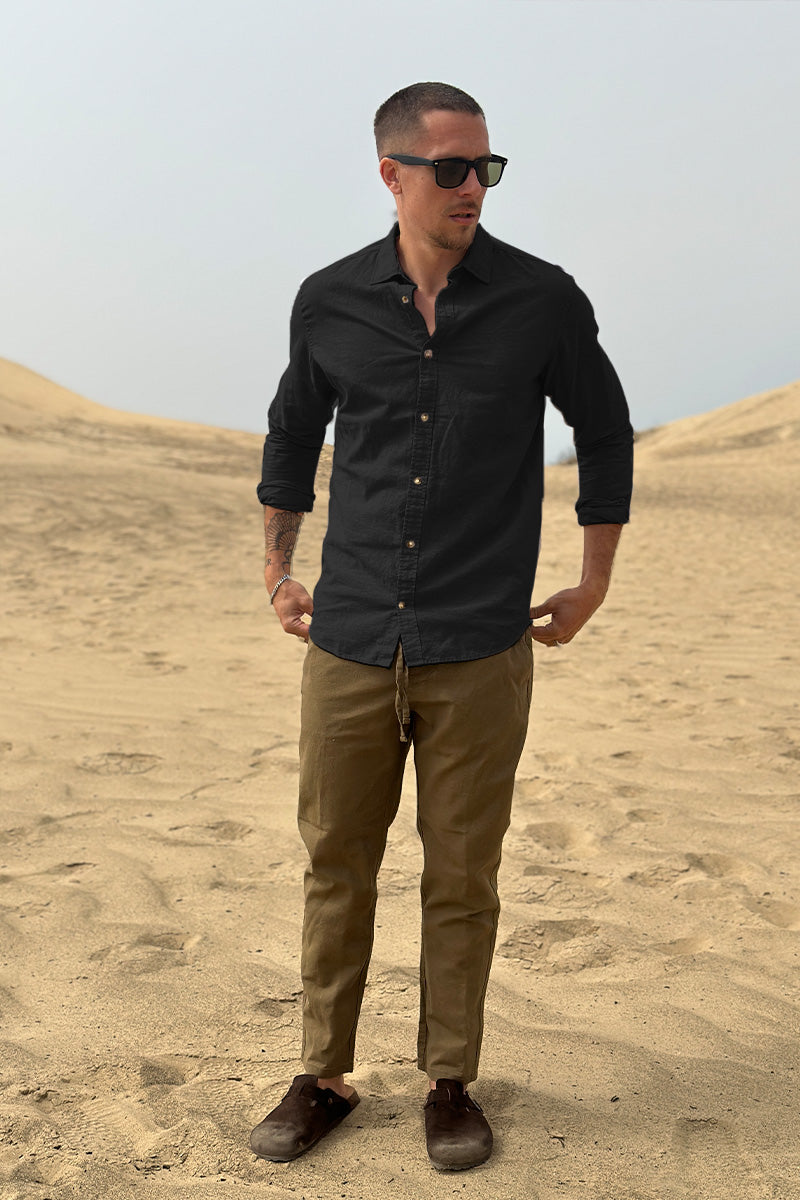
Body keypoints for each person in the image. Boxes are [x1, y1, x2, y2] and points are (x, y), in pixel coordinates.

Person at [250, 81, 633, 1172]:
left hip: (479, 642)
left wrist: (592, 581)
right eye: (452, 168)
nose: (474, 188)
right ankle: (323, 1074)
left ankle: (448, 1081)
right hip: (350, 635)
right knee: (336, 860)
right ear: (392, 174)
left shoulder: (542, 300)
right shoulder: (328, 301)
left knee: (462, 872)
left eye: (486, 169)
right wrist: (276, 570)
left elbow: (604, 433)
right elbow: (291, 439)